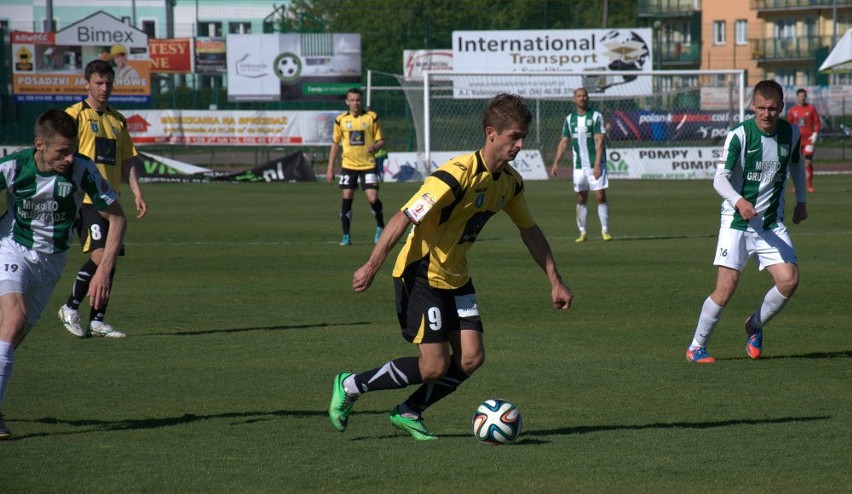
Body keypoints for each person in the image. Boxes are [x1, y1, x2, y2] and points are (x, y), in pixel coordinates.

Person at [327, 94, 573, 440]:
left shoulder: (510, 183)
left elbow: (529, 231)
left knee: (471, 358)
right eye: (513, 137)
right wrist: (371, 266)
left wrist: (555, 280)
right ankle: (351, 384)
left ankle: (409, 410)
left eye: (522, 138)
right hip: (421, 273)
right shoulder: (454, 176)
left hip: (458, 278)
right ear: (491, 133)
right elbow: (402, 217)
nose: (520, 145)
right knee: (435, 366)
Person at [0, 109, 127, 439]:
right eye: (62, 152)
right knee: (13, 320)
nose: (69, 158)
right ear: (39, 144)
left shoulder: (82, 168)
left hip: (52, 263)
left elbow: (117, 218)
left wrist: (103, 271)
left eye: (72, 150)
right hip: (13, 248)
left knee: (12, 338)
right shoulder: (13, 167)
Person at [686, 80, 808, 364]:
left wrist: (801, 201)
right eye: (761, 108)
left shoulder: (791, 133)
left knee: (789, 281)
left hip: (770, 223)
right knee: (726, 286)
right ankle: (696, 347)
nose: (766, 114)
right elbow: (720, 179)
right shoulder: (739, 135)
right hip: (737, 222)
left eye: (773, 109)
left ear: (781, 108)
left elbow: (797, 165)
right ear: (753, 106)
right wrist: (739, 202)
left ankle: (754, 325)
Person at [57, 59, 148, 339]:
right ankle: (70, 307)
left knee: (110, 259)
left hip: (112, 201)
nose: (104, 87)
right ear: (86, 83)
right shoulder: (73, 116)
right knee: (99, 256)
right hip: (85, 200)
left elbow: (127, 158)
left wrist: (136, 191)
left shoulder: (117, 119)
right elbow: (58, 151)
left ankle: (97, 321)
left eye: (108, 82)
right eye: (98, 82)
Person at [550, 87, 612, 243]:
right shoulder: (569, 119)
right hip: (579, 166)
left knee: (600, 196)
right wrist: (556, 162)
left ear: (588, 98)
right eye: (579, 96)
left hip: (596, 164)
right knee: (581, 198)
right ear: (574, 99)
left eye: (584, 95)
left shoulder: (596, 116)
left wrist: (597, 165)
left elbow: (599, 141)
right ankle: (582, 232)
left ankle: (605, 230)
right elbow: (564, 142)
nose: (582, 98)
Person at [326, 88, 385, 246]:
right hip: (348, 165)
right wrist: (330, 168)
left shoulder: (371, 117)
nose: (355, 103)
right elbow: (335, 144)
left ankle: (380, 226)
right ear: (347, 102)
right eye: (352, 100)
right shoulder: (341, 120)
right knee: (347, 197)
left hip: (368, 164)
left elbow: (380, 140)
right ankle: (346, 235)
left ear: (361, 101)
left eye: (358, 100)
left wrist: (376, 147)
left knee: (372, 198)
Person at [787, 88, 820, 192]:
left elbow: (817, 122)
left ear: (806, 97)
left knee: (807, 162)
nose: (802, 98)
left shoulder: (811, 109)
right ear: (797, 97)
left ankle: (809, 185)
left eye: (804, 96)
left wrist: (815, 134)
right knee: (796, 163)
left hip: (809, 140)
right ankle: (797, 185)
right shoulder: (792, 111)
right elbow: (789, 125)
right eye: (800, 96)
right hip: (797, 140)